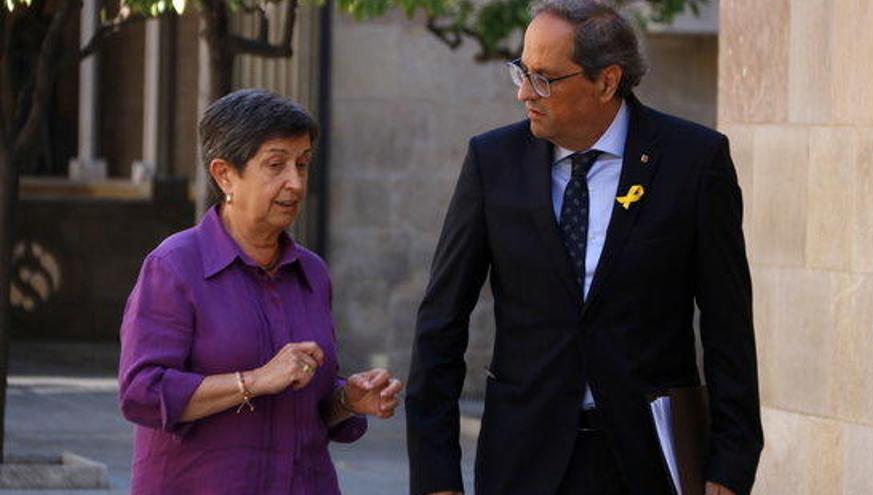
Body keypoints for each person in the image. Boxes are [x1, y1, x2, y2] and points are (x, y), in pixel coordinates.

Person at [405, 1, 763, 494]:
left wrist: (729, 463)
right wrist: (435, 475)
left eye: (545, 79)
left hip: (646, 463)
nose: (524, 93)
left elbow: (729, 326)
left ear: (607, 81)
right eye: (522, 72)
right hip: (522, 460)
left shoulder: (694, 162)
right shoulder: (492, 163)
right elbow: (441, 325)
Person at [119, 89, 402, 495]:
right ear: (224, 174)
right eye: (276, 165)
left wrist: (349, 400)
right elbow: (141, 393)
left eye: (302, 164)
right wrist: (254, 380)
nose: (296, 183)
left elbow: (309, 404)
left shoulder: (312, 273)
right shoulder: (175, 266)